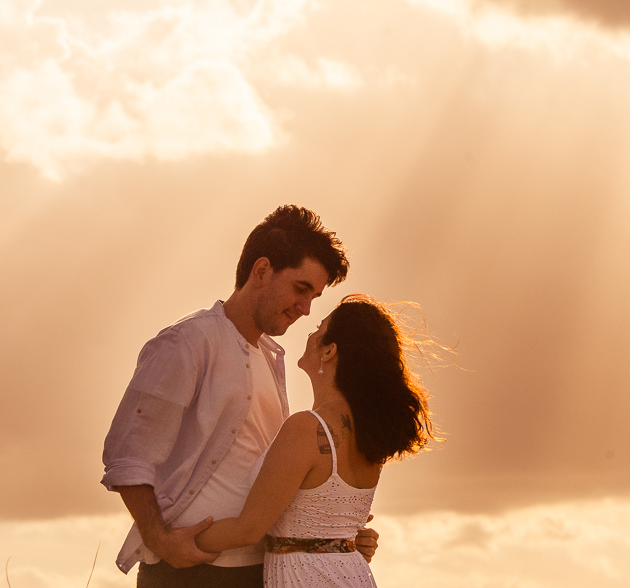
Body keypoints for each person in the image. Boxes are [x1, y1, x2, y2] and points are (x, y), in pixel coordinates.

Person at [101, 205, 378, 587]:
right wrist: (159, 539)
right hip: (188, 575)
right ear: (261, 271)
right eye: (301, 289)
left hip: (260, 571)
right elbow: (129, 456)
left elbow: (274, 479)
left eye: (314, 296)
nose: (305, 308)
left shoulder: (270, 359)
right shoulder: (187, 342)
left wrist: (334, 537)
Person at [191, 294, 436, 588]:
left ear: (329, 350)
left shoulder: (306, 428)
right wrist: (348, 542)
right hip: (350, 573)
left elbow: (249, 530)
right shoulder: (369, 435)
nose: (310, 334)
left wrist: (169, 542)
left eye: (318, 329)